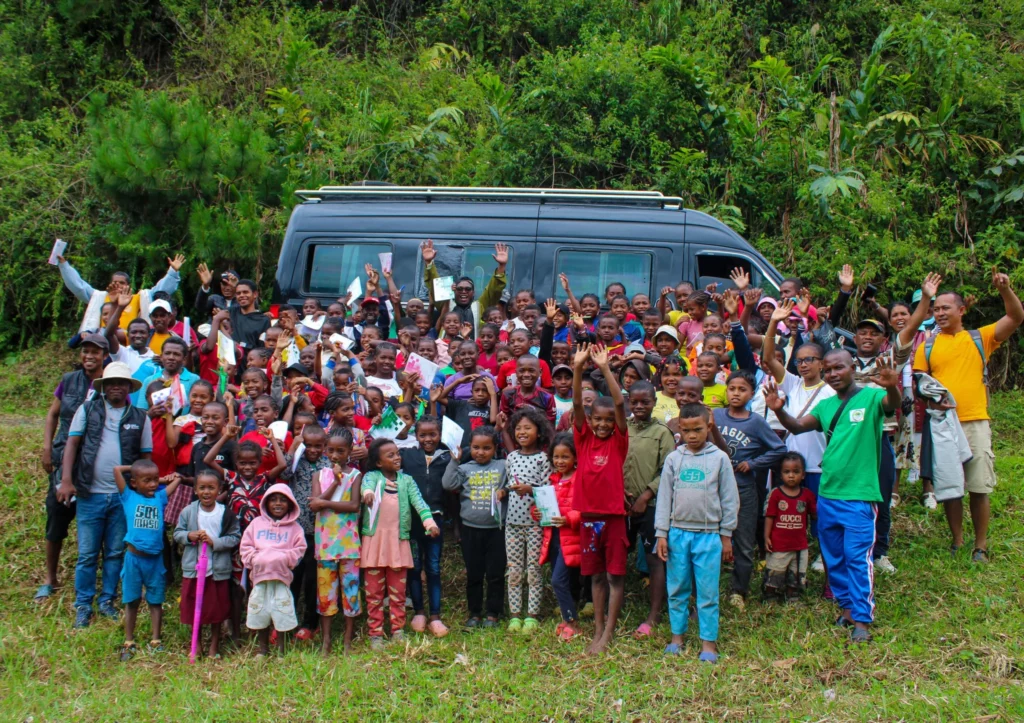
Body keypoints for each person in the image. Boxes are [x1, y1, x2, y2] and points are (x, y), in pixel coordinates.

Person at [765, 350, 903, 643]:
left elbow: (892, 404)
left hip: (860, 496)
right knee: (834, 557)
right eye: (828, 370)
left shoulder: (870, 398)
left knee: (857, 558)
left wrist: (891, 385)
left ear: (852, 368)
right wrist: (778, 411)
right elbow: (798, 426)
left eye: (839, 367)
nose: (833, 374)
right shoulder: (826, 405)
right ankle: (847, 607)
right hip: (828, 494)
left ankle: (863, 619)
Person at [912, 268, 1024, 563]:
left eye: (945, 308)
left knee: (978, 485)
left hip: (975, 420)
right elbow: (921, 381)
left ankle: (981, 545)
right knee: (950, 486)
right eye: (935, 309)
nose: (939, 313)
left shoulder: (979, 338)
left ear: (961, 310)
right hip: (943, 424)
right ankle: (958, 541)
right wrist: (930, 399)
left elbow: (1015, 318)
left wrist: (1005, 290)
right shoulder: (928, 345)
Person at [848, 272, 942, 574]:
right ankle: (837, 551)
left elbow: (908, 332)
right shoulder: (842, 364)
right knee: (845, 497)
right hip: (847, 441)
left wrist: (926, 298)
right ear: (855, 337)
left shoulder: (889, 361)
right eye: (861, 332)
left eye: (873, 333)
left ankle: (880, 551)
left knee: (883, 496)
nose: (866, 337)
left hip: (879, 440)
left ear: (882, 339)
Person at [57, 361, 152, 629]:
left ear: (129, 388)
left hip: (122, 497)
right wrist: (66, 480)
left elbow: (145, 457)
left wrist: (142, 490)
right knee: (87, 553)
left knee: (114, 552)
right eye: (111, 383)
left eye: (122, 383)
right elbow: (72, 443)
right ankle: (83, 605)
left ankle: (107, 601)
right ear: (104, 387)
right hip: (90, 493)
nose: (116, 387)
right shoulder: (87, 409)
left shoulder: (140, 417)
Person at [656, 403, 738, 663]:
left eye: (698, 430)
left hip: (709, 536)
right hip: (678, 534)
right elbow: (664, 498)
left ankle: (708, 643)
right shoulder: (674, 458)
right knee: (677, 587)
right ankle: (677, 638)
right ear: (680, 428)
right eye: (687, 430)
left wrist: (726, 536)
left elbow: (729, 499)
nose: (692, 436)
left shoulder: (719, 459)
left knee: (707, 591)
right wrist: (661, 534)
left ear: (709, 427)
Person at [37, 334, 107, 602]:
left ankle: (96, 580)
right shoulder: (68, 380)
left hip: (93, 461)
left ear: (104, 356)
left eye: (95, 353)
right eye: (85, 352)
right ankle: (50, 577)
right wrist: (46, 447)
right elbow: (53, 414)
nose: (89, 356)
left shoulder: (109, 384)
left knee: (96, 520)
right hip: (62, 457)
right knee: (56, 513)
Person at [571, 343, 629, 655]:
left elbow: (619, 406)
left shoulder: (618, 442)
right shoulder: (583, 439)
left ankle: (609, 631)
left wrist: (606, 369)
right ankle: (596, 628)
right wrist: (578, 368)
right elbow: (579, 405)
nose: (604, 424)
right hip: (589, 519)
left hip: (614, 519)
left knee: (615, 575)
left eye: (608, 421)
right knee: (595, 576)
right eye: (599, 420)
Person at [714, 370, 786, 610]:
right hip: (713, 490)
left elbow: (779, 449)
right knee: (711, 541)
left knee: (743, 542)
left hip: (744, 489)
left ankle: (738, 590)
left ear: (751, 394)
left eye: (742, 389)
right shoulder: (715, 416)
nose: (736, 393)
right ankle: (707, 589)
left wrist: (753, 464)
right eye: (732, 388)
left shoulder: (756, 422)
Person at [359, 439, 439, 649]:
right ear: (378, 463)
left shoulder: (407, 481)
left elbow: (419, 503)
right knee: (374, 593)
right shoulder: (372, 477)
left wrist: (429, 522)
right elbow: (366, 488)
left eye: (397, 453)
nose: (397, 458)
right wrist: (367, 494)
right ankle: (375, 633)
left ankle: (397, 630)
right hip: (375, 542)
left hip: (397, 542)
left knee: (398, 592)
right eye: (391, 455)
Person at [112, 460, 182, 661]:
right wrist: (137, 470)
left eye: (155, 480)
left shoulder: (160, 497)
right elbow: (117, 470)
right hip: (134, 559)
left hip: (155, 561)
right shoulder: (128, 497)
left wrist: (166, 478)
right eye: (147, 481)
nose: (153, 484)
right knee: (131, 599)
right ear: (134, 483)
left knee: (156, 600)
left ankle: (156, 640)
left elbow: (177, 479)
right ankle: (129, 640)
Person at [622, 380, 675, 638]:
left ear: (655, 402)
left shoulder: (662, 432)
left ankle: (654, 614)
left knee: (655, 560)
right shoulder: (622, 429)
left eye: (646, 401)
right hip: (621, 505)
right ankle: (614, 606)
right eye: (635, 402)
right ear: (628, 402)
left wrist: (646, 495)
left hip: (651, 505)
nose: (640, 406)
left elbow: (667, 468)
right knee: (618, 557)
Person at [443, 427, 507, 629]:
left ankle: (493, 614)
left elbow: (514, 484)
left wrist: (504, 491)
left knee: (496, 573)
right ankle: (475, 613)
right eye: (476, 447)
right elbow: (447, 483)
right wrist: (455, 460)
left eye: (486, 448)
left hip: (497, 530)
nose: (481, 452)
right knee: (474, 573)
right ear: (469, 447)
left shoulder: (502, 466)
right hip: (471, 530)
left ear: (495, 448)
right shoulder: (464, 468)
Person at [173, 470, 240, 659]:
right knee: (195, 608)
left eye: (211, 488)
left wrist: (215, 543)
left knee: (216, 610)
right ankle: (197, 644)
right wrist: (189, 536)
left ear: (219, 490)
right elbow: (177, 533)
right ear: (195, 490)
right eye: (202, 488)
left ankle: (214, 645)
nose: (207, 492)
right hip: (194, 571)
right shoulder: (188, 511)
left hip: (217, 571)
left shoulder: (225, 514)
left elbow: (235, 537)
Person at [310, 428, 363, 655]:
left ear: (349, 451)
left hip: (349, 545)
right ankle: (326, 640)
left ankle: (348, 640)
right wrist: (334, 483)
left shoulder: (356, 476)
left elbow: (353, 506)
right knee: (326, 595)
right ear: (324, 450)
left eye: (340, 451)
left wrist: (325, 503)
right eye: (330, 450)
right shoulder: (319, 475)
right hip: (325, 546)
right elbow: (314, 505)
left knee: (350, 593)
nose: (335, 455)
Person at [503, 406, 554, 635]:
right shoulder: (511, 457)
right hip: (512, 524)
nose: (522, 432)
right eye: (518, 428)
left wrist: (530, 490)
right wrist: (503, 492)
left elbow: (548, 490)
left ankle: (532, 615)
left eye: (528, 428)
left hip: (535, 524)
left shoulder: (544, 458)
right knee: (514, 569)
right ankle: (515, 615)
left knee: (533, 570)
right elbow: (507, 483)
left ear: (539, 432)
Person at [239, 483, 307, 656]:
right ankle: (263, 650)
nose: (278, 503)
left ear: (290, 504)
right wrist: (255, 559)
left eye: (283, 500)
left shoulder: (295, 528)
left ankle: (281, 651)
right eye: (274, 500)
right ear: (266, 503)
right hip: (259, 580)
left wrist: (284, 558)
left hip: (281, 580)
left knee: (282, 613)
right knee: (260, 613)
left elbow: (299, 550)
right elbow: (245, 547)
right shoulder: (256, 524)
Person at [399, 416, 452, 637]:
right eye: (423, 435)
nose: (428, 439)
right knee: (414, 566)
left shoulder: (448, 457)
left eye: (433, 434)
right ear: (416, 435)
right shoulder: (408, 456)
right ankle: (419, 612)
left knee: (433, 567)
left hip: (436, 520)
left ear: (440, 435)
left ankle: (435, 616)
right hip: (412, 521)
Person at [279, 424, 330, 641]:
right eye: (308, 445)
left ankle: (310, 623)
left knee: (312, 579)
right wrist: (294, 447)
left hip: (317, 531)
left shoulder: (327, 464)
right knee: (292, 577)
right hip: (295, 530)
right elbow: (284, 471)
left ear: (324, 446)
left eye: (318, 446)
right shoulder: (297, 459)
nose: (313, 450)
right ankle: (286, 623)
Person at [58, 253, 184, 333]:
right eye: (115, 282)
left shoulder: (139, 298)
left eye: (122, 283)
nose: (118, 285)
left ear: (128, 286)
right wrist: (64, 266)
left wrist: (172, 272)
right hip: (105, 342)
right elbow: (79, 287)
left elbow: (161, 290)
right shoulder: (101, 297)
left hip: (131, 343)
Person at [540, 432, 583, 641]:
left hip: (571, 539)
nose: (559, 461)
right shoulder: (553, 480)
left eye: (565, 457)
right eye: (556, 457)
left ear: (575, 457)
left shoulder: (579, 479)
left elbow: (586, 509)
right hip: (554, 538)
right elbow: (544, 508)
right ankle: (568, 618)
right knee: (563, 579)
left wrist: (569, 519)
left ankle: (571, 621)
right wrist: (537, 513)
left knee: (558, 580)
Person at [422, 240, 508, 339]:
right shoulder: (447, 304)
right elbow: (433, 285)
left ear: (473, 292)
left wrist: (502, 267)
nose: (463, 292)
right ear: (454, 290)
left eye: (468, 289)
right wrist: (429, 263)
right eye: (459, 289)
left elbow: (494, 290)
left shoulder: (480, 305)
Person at [763, 452, 816, 602]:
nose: (791, 476)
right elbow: (769, 516)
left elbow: (815, 514)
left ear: (803, 475)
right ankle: (770, 595)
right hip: (779, 544)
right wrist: (766, 537)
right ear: (781, 474)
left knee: (796, 572)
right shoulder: (776, 495)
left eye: (796, 472)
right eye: (787, 472)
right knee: (775, 570)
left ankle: (792, 594)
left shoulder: (807, 495)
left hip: (799, 545)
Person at [229, 279, 271, 350]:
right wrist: (206, 287)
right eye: (238, 293)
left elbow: (263, 349)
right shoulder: (231, 312)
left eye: (245, 292)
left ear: (255, 294)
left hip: (250, 359)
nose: (241, 295)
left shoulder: (263, 320)